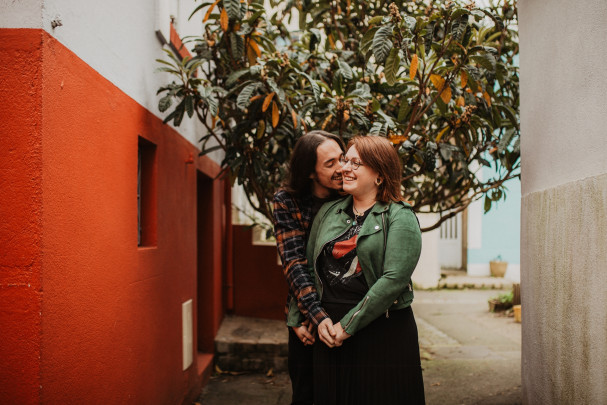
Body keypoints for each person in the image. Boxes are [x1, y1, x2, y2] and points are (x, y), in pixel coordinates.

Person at [296, 135, 425, 404]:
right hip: (329, 330)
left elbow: (393, 280)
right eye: (346, 161)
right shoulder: (329, 212)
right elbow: (307, 266)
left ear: (379, 175)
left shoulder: (401, 216)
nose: (345, 168)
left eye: (356, 163)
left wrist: (348, 326)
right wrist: (308, 319)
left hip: (382, 332)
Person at [272, 130, 345, 405]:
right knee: (305, 393)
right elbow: (294, 263)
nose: (342, 168)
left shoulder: (351, 196)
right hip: (307, 314)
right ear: (310, 172)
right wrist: (308, 316)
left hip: (344, 313)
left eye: (342, 158)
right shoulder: (287, 201)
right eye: (330, 164)